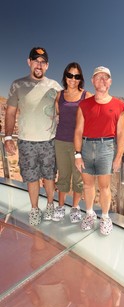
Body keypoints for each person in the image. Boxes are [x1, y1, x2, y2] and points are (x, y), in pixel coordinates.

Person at [4, 47, 62, 226]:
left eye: (42, 62)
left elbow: (68, 105)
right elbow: (11, 113)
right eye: (35, 61)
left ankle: (50, 206)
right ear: (29, 62)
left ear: (47, 65)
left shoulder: (54, 86)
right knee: (31, 178)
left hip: (49, 141)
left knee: (50, 176)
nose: (39, 64)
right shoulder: (17, 85)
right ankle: (35, 209)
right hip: (27, 142)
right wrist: (7, 137)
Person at [74, 66, 124, 235]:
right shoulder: (83, 105)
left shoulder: (120, 105)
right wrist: (77, 154)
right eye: (98, 77)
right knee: (88, 185)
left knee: (104, 186)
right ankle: (89, 214)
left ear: (110, 82)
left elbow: (121, 133)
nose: (102, 81)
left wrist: (118, 156)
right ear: (92, 81)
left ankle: (104, 217)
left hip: (107, 147)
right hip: (86, 146)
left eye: (106, 78)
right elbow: (78, 130)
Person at [52, 62, 92, 223]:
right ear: (65, 76)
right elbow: (52, 114)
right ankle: (60, 207)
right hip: (60, 141)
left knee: (78, 178)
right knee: (63, 175)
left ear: (80, 78)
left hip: (79, 144)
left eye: (76, 76)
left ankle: (75, 208)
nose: (73, 79)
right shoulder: (59, 95)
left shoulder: (86, 96)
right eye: (70, 75)